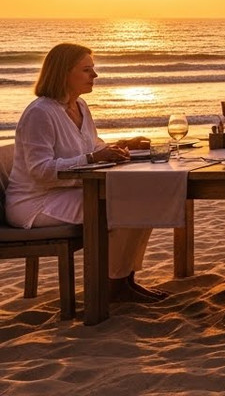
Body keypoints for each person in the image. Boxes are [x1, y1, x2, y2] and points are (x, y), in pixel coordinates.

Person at [5, 43, 165, 303]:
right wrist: (92, 158)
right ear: (63, 73)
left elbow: (92, 147)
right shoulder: (40, 114)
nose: (95, 76)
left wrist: (122, 146)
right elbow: (40, 171)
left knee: (141, 201)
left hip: (70, 191)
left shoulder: (80, 106)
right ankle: (114, 286)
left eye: (93, 69)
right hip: (34, 202)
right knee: (124, 207)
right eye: (87, 70)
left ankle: (125, 280)